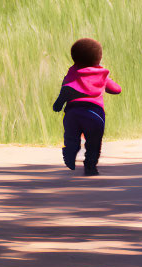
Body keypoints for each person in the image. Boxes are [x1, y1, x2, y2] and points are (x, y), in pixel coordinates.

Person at [52, 37, 121, 176]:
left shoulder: (72, 73)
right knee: (94, 142)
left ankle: (69, 152)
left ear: (74, 58)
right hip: (94, 113)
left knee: (71, 137)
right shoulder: (102, 74)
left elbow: (65, 88)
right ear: (99, 58)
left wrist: (59, 102)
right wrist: (106, 83)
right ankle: (90, 166)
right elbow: (116, 89)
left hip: (73, 113)